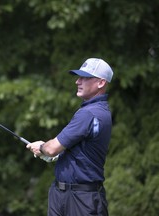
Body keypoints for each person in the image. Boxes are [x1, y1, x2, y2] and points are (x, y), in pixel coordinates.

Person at [26, 58, 113, 216]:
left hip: (81, 200)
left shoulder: (89, 113)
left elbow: (52, 148)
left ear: (101, 83)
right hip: (64, 194)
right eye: (78, 77)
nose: (77, 81)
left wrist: (42, 147)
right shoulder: (98, 111)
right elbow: (78, 149)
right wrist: (57, 154)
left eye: (85, 77)